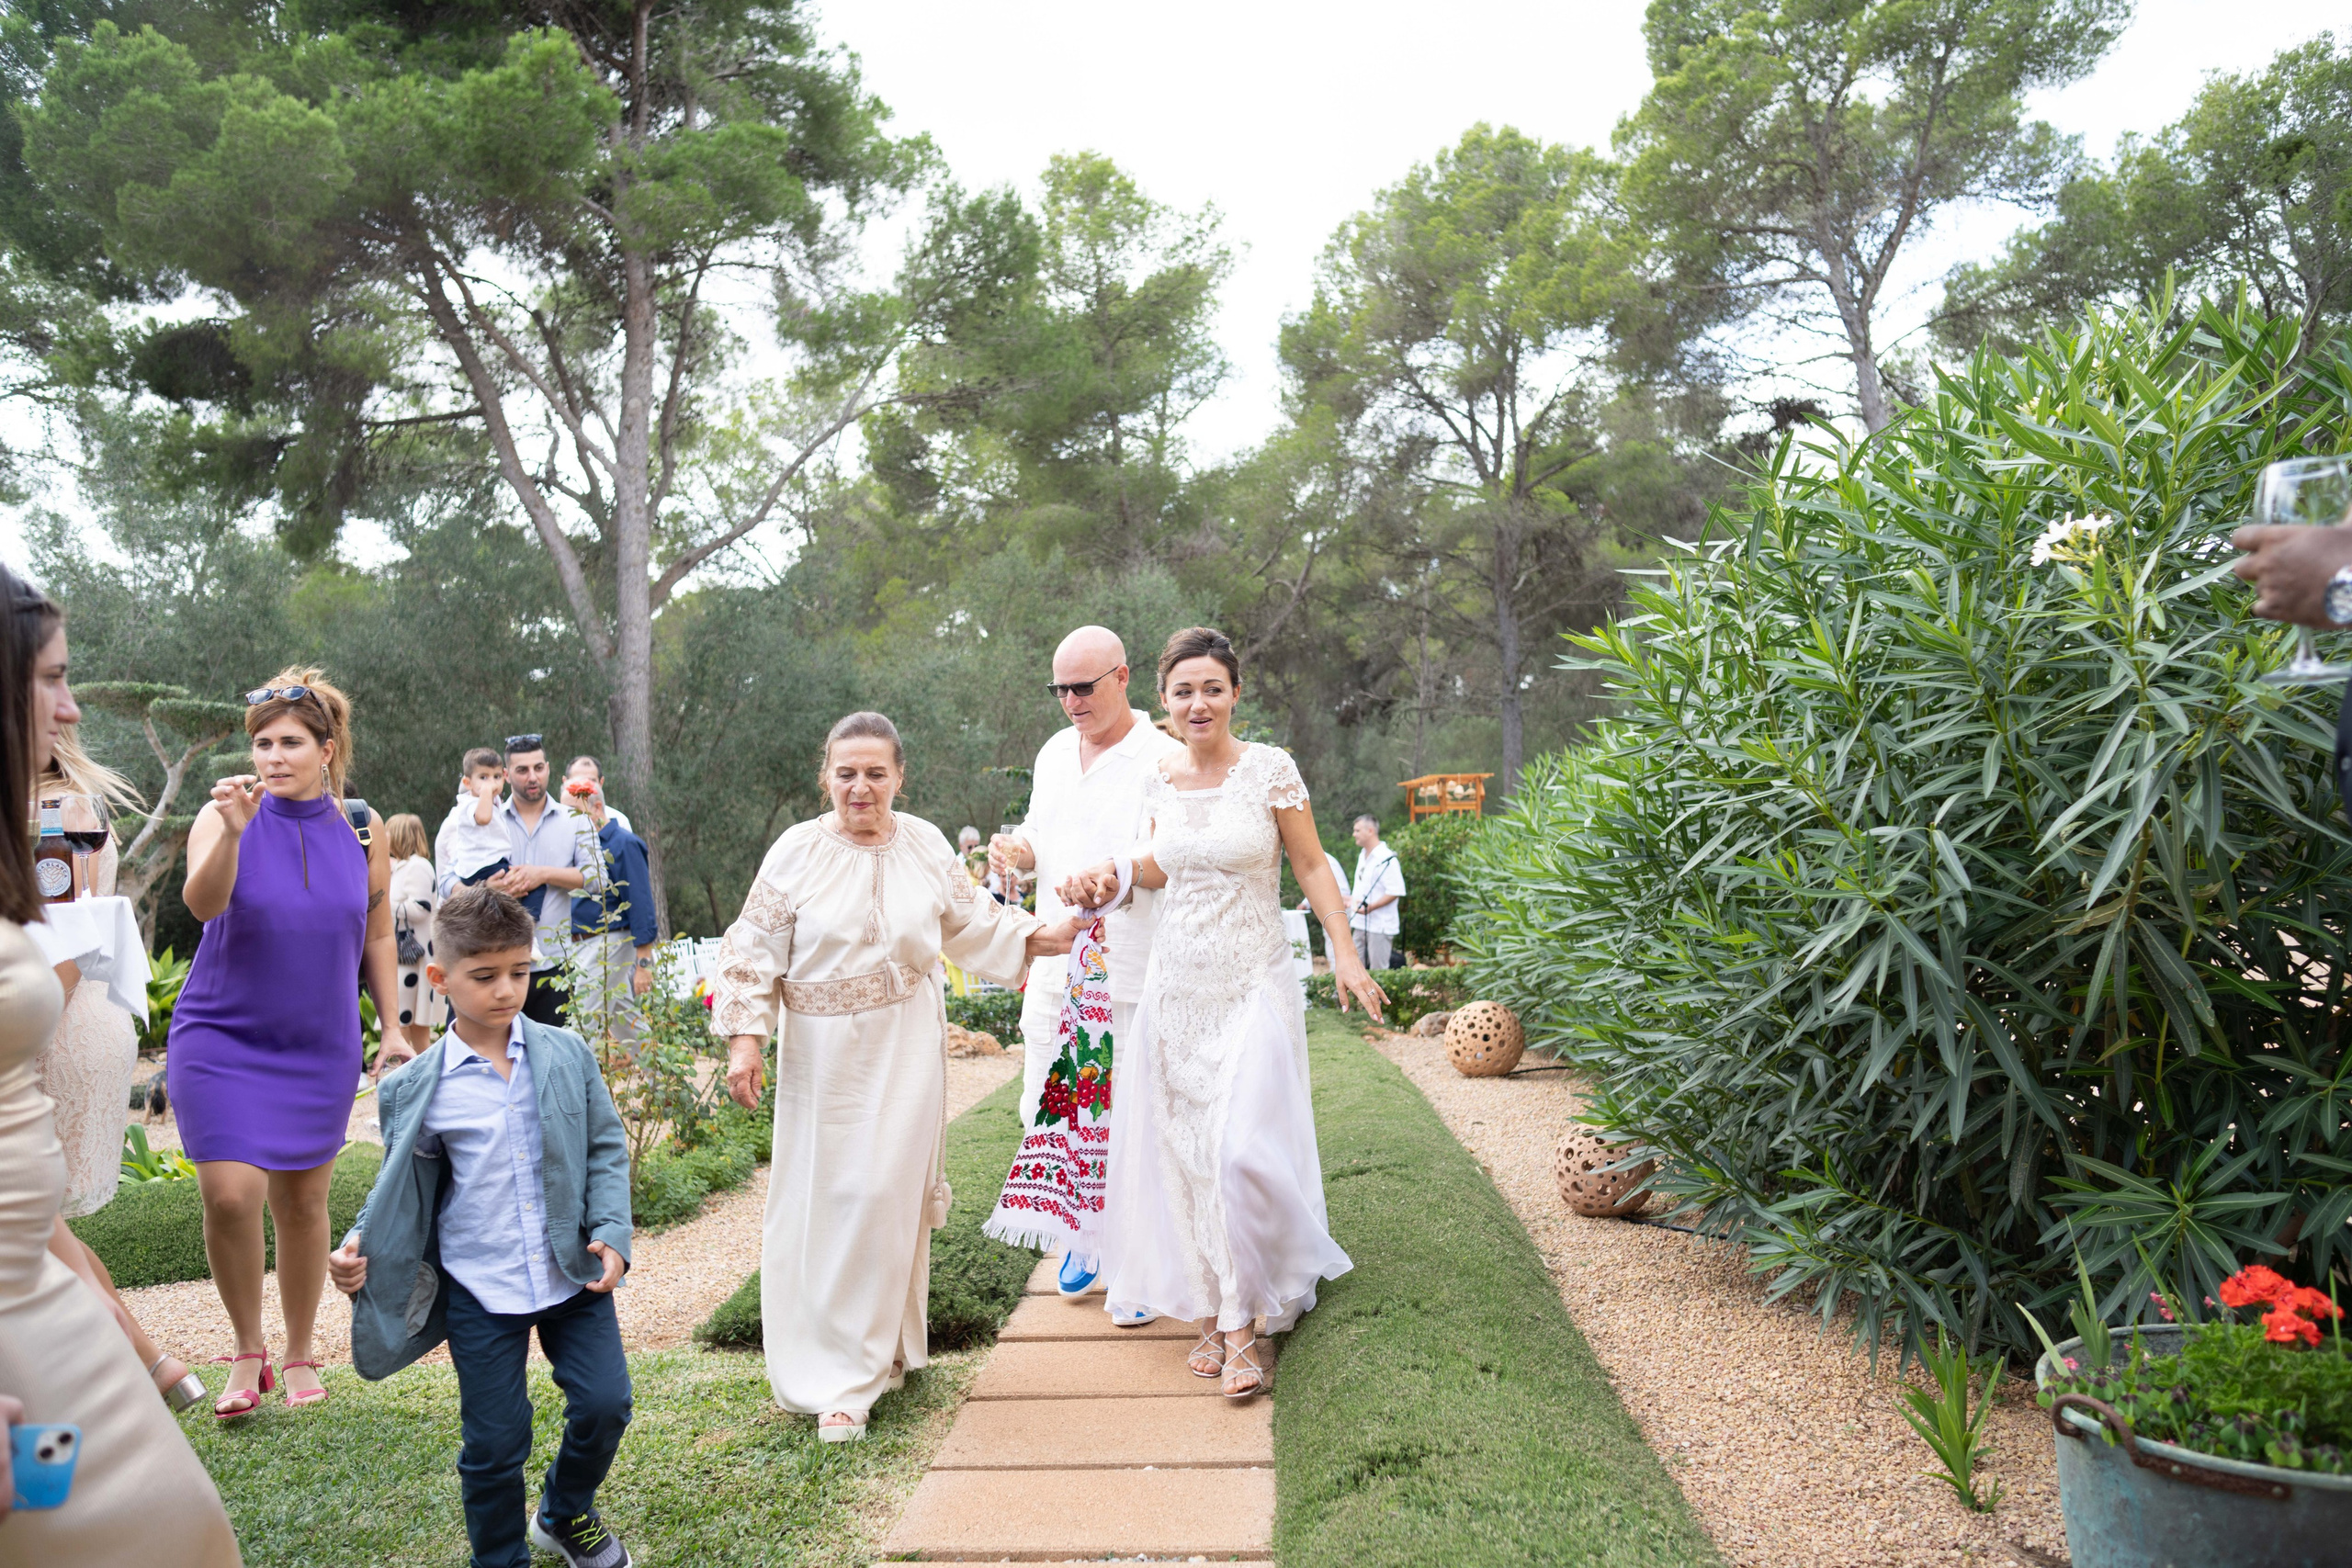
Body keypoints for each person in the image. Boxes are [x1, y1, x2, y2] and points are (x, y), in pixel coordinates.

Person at [713, 712, 1077, 1441]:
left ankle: (859, 1378)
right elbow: (752, 948)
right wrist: (745, 1043)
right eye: (846, 772)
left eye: (876, 772)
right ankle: (840, 1360)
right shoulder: (795, 852)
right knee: (828, 1198)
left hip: (907, 1042)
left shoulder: (927, 843)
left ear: (899, 777)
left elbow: (974, 921)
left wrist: (1047, 933)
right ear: (826, 776)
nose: (861, 786)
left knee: (884, 1195)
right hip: (820, 1056)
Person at [1062, 627, 1384, 1400]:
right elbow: (1157, 864)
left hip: (1251, 981)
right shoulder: (1160, 779)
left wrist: (1342, 950)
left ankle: (1244, 1325)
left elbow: (1309, 862)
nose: (1197, 703)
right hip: (1178, 985)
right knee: (1188, 1154)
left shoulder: (1270, 770)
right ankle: (1218, 1307)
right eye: (1183, 691)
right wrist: (1108, 872)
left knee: (1237, 1145)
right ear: (1163, 701)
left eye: (1212, 687)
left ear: (1236, 693)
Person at [0, 561, 241, 1563]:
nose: (68, 708)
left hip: (45, 1302)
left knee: (174, 1530)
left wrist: (81, 1281)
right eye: (50, 680)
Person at [331, 886, 634, 1568]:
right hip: (480, 1286)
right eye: (486, 975)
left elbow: (605, 1149)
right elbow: (399, 1186)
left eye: (519, 972)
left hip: (571, 1273)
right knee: (496, 1442)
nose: (507, 989)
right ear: (439, 979)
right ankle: (500, 1557)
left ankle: (563, 1511)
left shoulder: (567, 1054)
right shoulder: (416, 1087)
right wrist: (356, 1243)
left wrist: (613, 1230)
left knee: (606, 1403)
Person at [167, 666, 401, 1417]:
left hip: (317, 1041)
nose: (272, 756)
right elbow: (202, 905)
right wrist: (234, 833)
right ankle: (246, 1348)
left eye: (290, 742)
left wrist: (393, 1023)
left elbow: (378, 928)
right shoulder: (224, 814)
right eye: (263, 742)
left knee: (304, 1203)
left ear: (326, 748)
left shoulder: (362, 828)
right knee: (229, 1193)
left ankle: (299, 1352)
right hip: (221, 1033)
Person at [987, 626, 1182, 1305]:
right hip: (1052, 957)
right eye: (1059, 689)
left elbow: (1164, 858)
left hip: (1127, 963)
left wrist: (1112, 880)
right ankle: (1082, 1233)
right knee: (1050, 1096)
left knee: (1128, 1111)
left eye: (1083, 686)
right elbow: (1043, 829)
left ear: (1123, 677)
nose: (1070, 700)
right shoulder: (1051, 753)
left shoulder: (1162, 756)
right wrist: (1020, 849)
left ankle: (1134, 1260)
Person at [32, 726, 209, 1413]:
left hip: (55, 1019)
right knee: (36, 1219)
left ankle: (134, 1365)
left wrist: (23, 1035)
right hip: (57, 1014)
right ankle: (154, 1366)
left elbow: (62, 941)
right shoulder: (55, 804)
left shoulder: (57, 813)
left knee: (24, 1213)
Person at [449, 735, 592, 1028]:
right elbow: (447, 880)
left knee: (551, 1066)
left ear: (549, 768)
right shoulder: (476, 816)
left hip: (553, 967)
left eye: (539, 768)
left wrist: (543, 874)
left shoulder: (575, 819)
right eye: (522, 770)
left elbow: (595, 878)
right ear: (507, 775)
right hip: (490, 968)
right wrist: (485, 889)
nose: (532, 777)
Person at [562, 773, 656, 1043]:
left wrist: (643, 963)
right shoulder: (579, 847)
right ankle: (659, 1079)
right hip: (583, 944)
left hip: (610, 940)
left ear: (597, 807)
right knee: (624, 1020)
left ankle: (576, 1084)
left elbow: (640, 902)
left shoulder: (623, 843)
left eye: (572, 813)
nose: (564, 821)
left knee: (584, 1022)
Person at [386, 811, 445, 1053]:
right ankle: (420, 1069)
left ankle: (406, 1069)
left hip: (414, 956)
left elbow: (421, 908)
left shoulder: (417, 866)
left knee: (403, 1016)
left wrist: (381, 905)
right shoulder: (403, 867)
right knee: (410, 1019)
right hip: (407, 955)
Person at [436, 747, 513, 889]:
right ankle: (532, 912)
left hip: (490, 863)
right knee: (524, 883)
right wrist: (486, 792)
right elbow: (483, 818)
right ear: (467, 783)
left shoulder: (495, 803)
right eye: (484, 778)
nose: (491, 783)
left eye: (496, 777)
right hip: (482, 866)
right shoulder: (469, 804)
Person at [1346, 814, 1407, 970]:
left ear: (1370, 831)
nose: (1354, 834)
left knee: (1378, 972)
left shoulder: (1387, 858)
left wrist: (1370, 907)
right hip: (1359, 923)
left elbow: (1396, 891)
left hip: (1380, 925)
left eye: (1357, 830)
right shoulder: (1362, 855)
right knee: (1355, 969)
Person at [564, 755, 632, 834]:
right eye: (578, 781)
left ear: (601, 783)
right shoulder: (555, 820)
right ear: (565, 783)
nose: (584, 786)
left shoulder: (620, 822)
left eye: (591, 781)